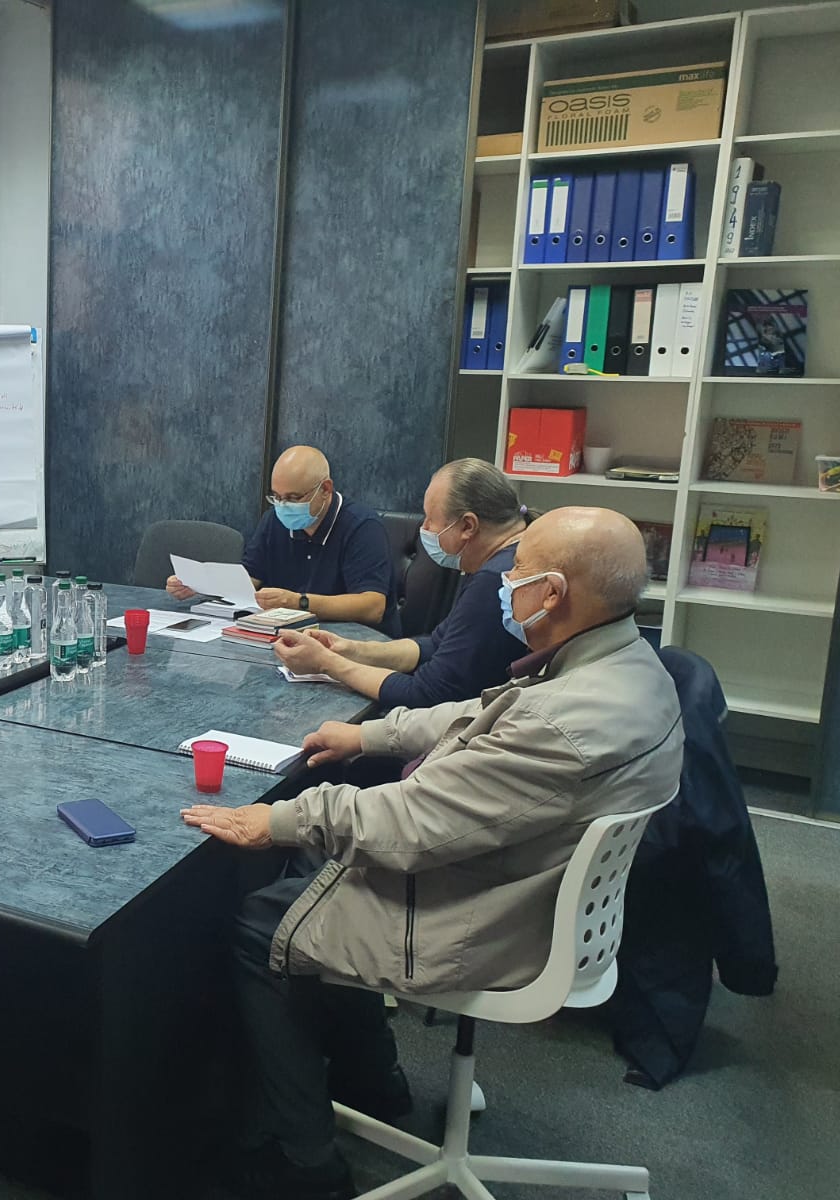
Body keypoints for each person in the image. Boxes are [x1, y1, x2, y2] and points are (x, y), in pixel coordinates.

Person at [181, 506, 684, 1199]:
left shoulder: (560, 723)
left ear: (553, 594)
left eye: (519, 571)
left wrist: (280, 817)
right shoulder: (628, 665)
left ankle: (303, 1160)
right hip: (537, 882)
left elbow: (411, 823)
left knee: (261, 924)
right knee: (312, 871)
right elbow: (487, 711)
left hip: (497, 917)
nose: (505, 582)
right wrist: (373, 736)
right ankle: (372, 1079)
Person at [273, 458, 529, 708]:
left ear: (468, 526)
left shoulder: (494, 582)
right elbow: (436, 645)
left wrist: (327, 663)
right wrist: (352, 650)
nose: (424, 527)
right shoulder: (499, 562)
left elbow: (426, 693)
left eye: (430, 518)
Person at [167, 446, 399, 635]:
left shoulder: (362, 527)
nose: (283, 506)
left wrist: (299, 602)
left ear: (325, 489)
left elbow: (372, 607)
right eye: (277, 497)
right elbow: (249, 581)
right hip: (288, 637)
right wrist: (198, 585)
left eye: (293, 498)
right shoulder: (274, 520)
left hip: (356, 643)